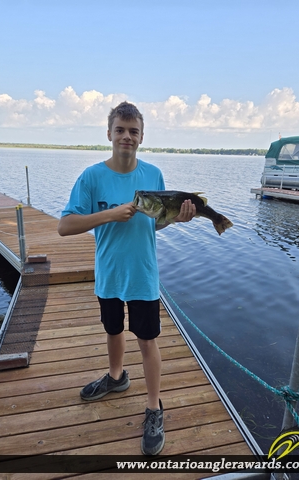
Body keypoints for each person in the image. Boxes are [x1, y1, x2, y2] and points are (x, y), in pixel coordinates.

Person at [58, 101, 195, 456]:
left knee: (147, 340)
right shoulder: (91, 177)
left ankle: (153, 408)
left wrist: (177, 219)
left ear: (142, 137)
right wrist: (109, 214)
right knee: (113, 330)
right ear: (109, 134)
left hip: (143, 276)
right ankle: (116, 378)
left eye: (133, 131)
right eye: (120, 130)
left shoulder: (153, 174)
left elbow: (159, 221)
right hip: (109, 274)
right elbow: (65, 225)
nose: (126, 137)